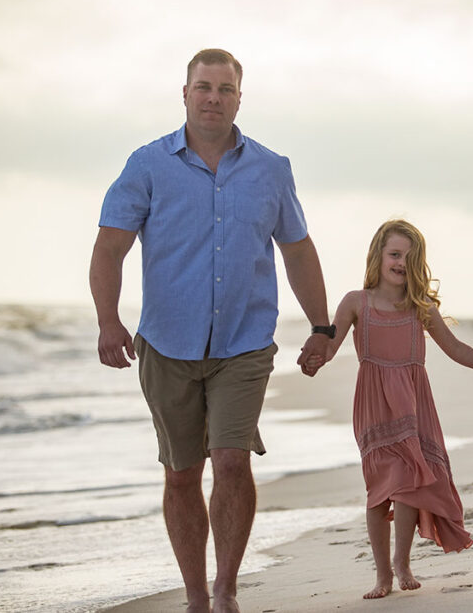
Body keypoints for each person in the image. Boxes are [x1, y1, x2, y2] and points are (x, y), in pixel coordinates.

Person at [89, 48, 334, 613]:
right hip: (166, 343)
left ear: (239, 99)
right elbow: (109, 247)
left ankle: (226, 589)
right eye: (203, 87)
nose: (213, 98)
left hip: (243, 344)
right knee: (181, 473)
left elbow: (296, 251)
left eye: (225, 89)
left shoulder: (272, 169)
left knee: (230, 460)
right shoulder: (146, 164)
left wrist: (321, 326)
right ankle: (195, 595)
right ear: (185, 93)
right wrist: (108, 320)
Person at [310, 219, 473, 599]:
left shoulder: (420, 308)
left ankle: (401, 562)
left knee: (408, 483)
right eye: (394, 254)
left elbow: (456, 349)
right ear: (378, 255)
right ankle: (382, 574)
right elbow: (330, 344)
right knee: (379, 490)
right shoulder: (356, 302)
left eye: (410, 258)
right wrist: (314, 358)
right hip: (374, 405)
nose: (401, 264)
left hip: (413, 403)